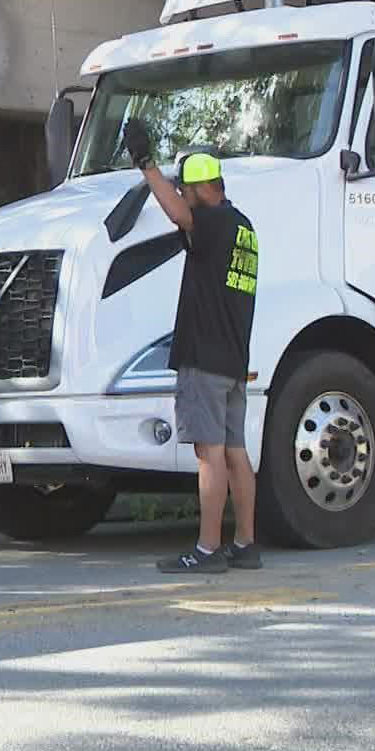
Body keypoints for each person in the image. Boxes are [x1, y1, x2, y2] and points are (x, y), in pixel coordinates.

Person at [122, 120, 262, 574]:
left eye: (185, 190)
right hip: (234, 360)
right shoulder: (243, 226)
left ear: (202, 190)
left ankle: (206, 550)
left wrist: (146, 165)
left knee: (210, 454)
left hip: (204, 361)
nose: (180, 197)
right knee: (236, 452)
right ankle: (245, 544)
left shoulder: (212, 220)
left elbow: (180, 216)